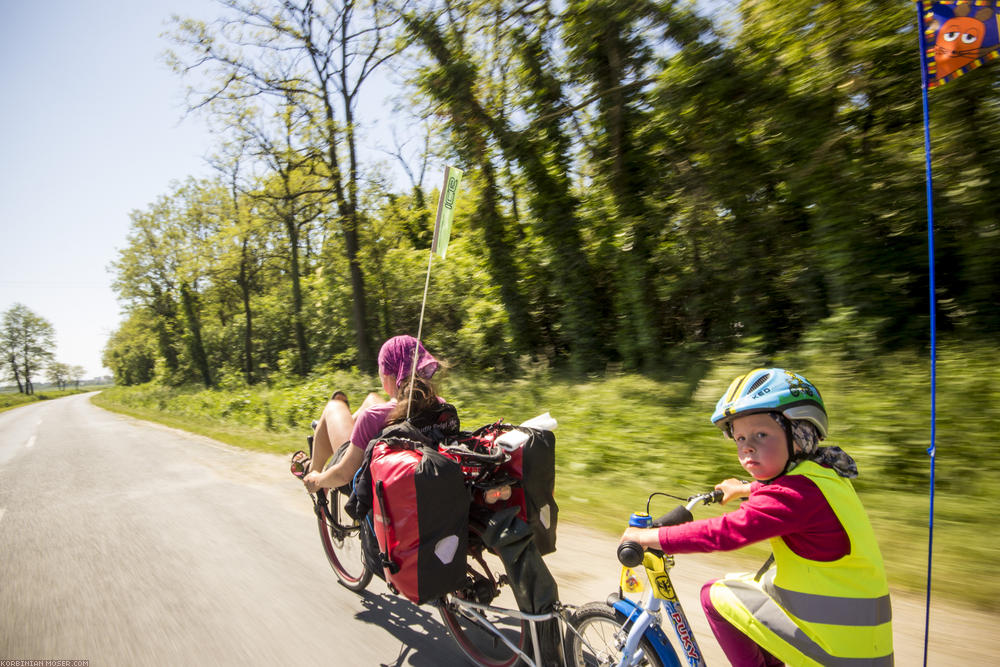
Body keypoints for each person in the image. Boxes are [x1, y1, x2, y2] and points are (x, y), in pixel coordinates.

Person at [620, 368, 893, 666]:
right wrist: (745, 489)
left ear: (800, 433)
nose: (746, 446)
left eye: (761, 434)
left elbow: (724, 533)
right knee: (756, 585)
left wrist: (651, 537)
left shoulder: (790, 496)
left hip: (835, 651)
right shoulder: (824, 473)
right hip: (861, 643)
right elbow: (793, 497)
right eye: (739, 438)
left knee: (715, 596)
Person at [299, 335, 442, 494]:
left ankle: (312, 470)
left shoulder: (374, 416)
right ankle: (347, 430)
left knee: (334, 406)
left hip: (362, 482)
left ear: (388, 375)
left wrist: (317, 480)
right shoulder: (440, 405)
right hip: (420, 476)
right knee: (372, 398)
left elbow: (345, 474)